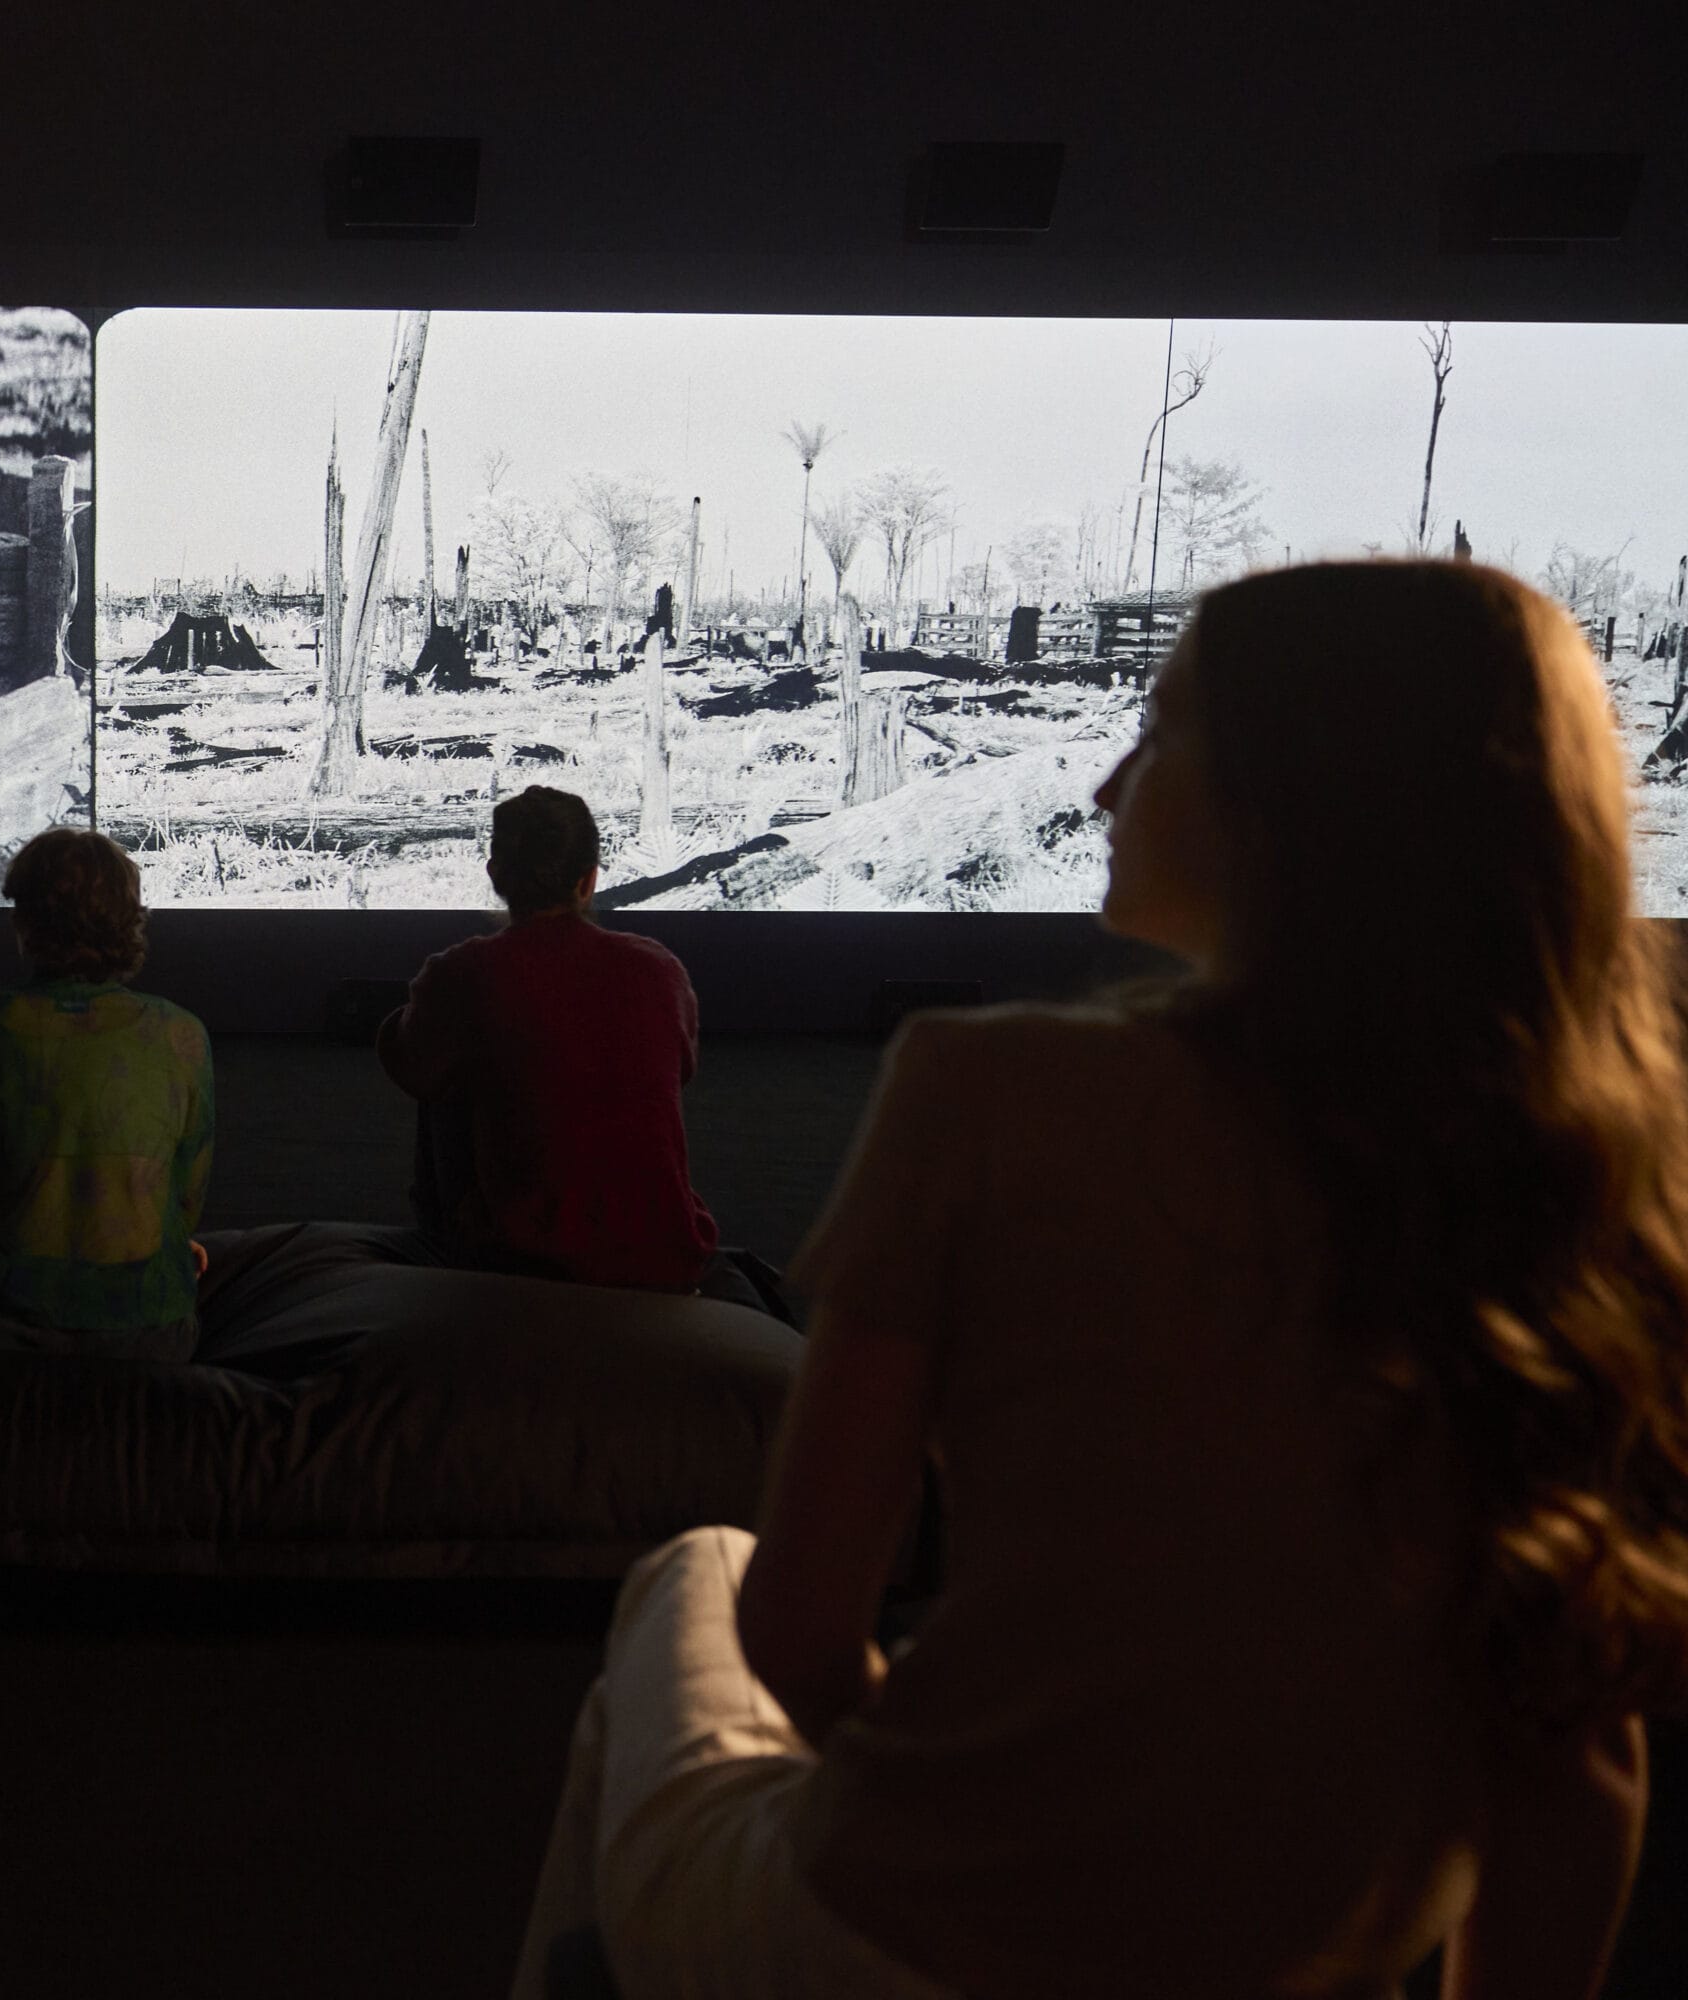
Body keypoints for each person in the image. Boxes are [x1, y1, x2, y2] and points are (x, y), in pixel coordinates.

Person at [514, 561, 1688, 2000]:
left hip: (886, 1936)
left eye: (1161, 730)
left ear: (1296, 798)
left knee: (696, 1574)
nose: (1106, 788)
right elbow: (1580, 1775)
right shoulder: (1598, 1167)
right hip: (1308, 1966)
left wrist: (1000, 1832)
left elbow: (801, 1630)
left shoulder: (989, 1087)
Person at [378, 785, 720, 1294]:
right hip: (667, 1258)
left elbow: (410, 1065)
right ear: (589, 881)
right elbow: (681, 1069)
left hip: (521, 1262)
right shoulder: (659, 969)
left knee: (449, 1077)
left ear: (495, 877)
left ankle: (448, 1253)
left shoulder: (465, 972)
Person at [0, 825, 214, 1363]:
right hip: (150, 1335)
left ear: (24, 922)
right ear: (132, 919)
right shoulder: (182, 1034)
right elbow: (184, 1201)